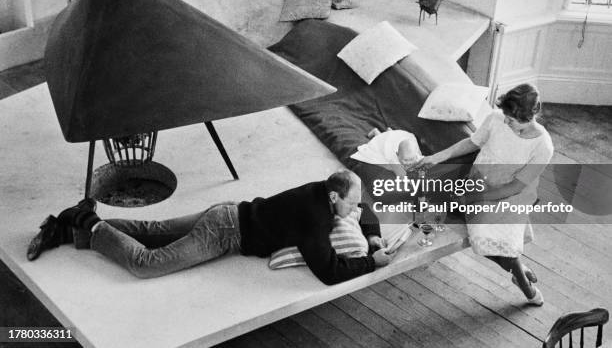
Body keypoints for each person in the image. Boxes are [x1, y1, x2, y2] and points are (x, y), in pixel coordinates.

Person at [27, 170, 395, 285]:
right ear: (334, 199)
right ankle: (86, 220)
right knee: (146, 263)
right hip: (224, 233)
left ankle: (62, 230)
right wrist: (370, 263)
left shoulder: (325, 190)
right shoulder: (313, 218)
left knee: (148, 227)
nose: (356, 207)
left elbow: (366, 209)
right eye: (350, 201)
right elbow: (329, 271)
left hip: (229, 213)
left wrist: (373, 235)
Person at [411, 83, 554, 306]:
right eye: (506, 115)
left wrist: (477, 199)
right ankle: (518, 269)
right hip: (480, 183)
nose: (506, 121)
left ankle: (523, 283)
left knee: (501, 239)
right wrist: (438, 157)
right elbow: (472, 142)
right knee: (481, 239)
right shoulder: (497, 118)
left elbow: (516, 186)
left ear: (532, 114)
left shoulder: (543, 145)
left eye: (513, 119)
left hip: (510, 195)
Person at [351, 128, 423, 177]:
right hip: (387, 145)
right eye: (406, 160)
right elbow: (403, 177)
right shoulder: (394, 160)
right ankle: (376, 132)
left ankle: (390, 132)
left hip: (398, 138)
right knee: (381, 142)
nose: (409, 162)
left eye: (411, 159)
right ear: (397, 155)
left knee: (392, 137)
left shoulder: (416, 157)